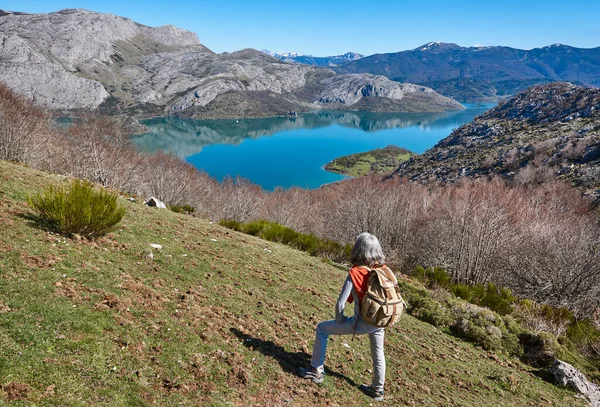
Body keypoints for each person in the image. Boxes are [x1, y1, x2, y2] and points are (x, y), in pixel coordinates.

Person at [298, 232, 389, 402]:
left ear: (358, 249)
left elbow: (341, 303)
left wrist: (340, 322)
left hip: (360, 322)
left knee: (322, 329)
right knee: (378, 352)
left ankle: (316, 370)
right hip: (379, 321)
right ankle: (378, 389)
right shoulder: (383, 271)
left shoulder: (356, 272)